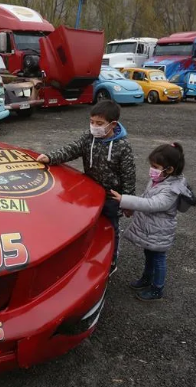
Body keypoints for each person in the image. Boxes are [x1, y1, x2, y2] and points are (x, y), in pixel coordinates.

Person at [37, 100, 135, 275]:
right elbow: (71, 150)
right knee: (88, 224)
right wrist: (50, 157)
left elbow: (129, 175)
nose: (94, 127)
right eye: (91, 122)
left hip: (112, 197)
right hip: (90, 192)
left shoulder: (123, 146)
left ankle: (111, 259)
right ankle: (87, 255)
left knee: (110, 228)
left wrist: (128, 201)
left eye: (99, 124)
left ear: (112, 124)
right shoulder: (88, 138)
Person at [110, 142, 196, 301]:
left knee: (158, 259)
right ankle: (146, 279)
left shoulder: (171, 189)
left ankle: (157, 288)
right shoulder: (160, 180)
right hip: (152, 230)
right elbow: (146, 197)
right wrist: (131, 208)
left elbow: (153, 204)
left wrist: (124, 200)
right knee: (149, 254)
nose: (152, 170)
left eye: (155, 166)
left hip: (160, 231)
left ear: (169, 169)